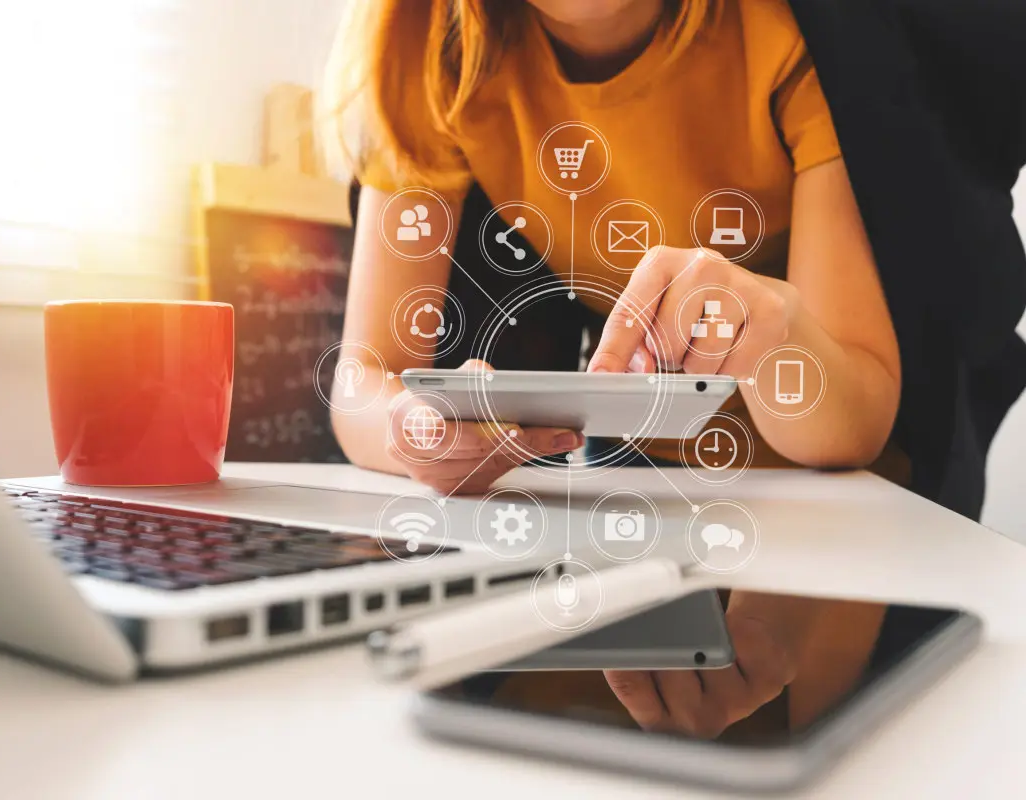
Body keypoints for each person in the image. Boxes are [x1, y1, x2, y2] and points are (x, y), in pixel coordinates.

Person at [321, 0, 1025, 738]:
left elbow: (858, 417)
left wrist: (770, 335)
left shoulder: (794, 33)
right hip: (628, 508)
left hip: (840, 526)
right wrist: (416, 426)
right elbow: (364, 381)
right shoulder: (429, 48)